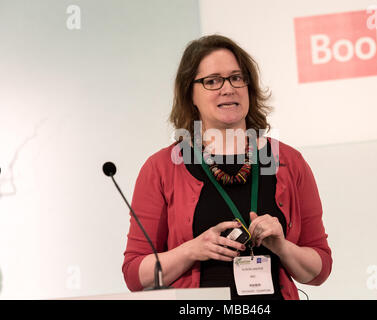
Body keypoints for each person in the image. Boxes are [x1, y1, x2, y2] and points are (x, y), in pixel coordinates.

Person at [122, 34, 332, 300]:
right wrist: (192, 250)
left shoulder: (289, 162)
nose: (228, 88)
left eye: (236, 77)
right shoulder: (161, 168)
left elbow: (319, 269)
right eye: (212, 81)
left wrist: (283, 247)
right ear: (191, 94)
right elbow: (134, 275)